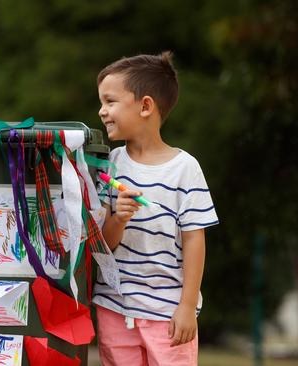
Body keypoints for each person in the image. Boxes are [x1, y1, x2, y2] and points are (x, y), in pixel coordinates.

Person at [93, 51, 219, 365]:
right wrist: (118, 218)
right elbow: (104, 244)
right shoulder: (111, 165)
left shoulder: (185, 168)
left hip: (168, 313)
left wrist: (187, 307)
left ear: (146, 105)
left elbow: (194, 239)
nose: (102, 111)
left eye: (110, 102)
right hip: (115, 309)